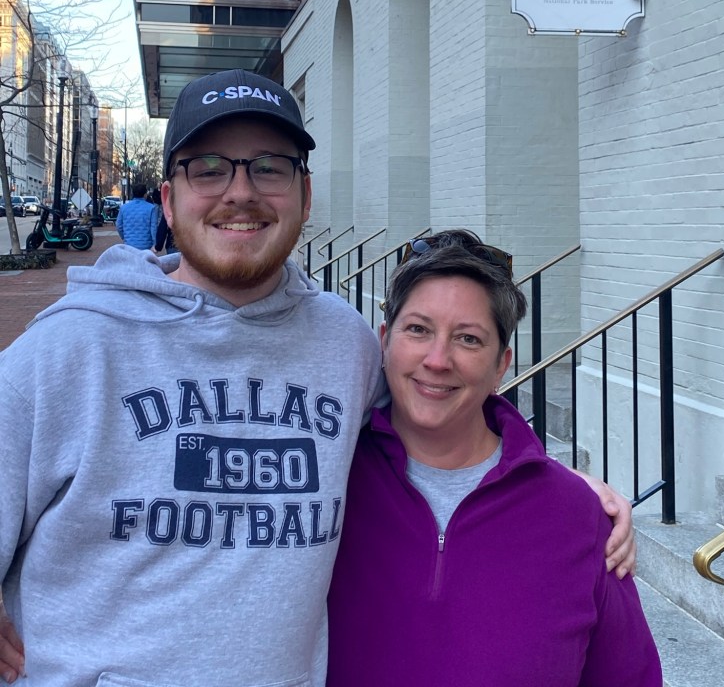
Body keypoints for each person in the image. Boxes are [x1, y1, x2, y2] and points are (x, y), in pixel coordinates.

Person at [0, 72, 634, 685]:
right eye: (209, 167)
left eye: (269, 166)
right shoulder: (65, 351)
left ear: (305, 197)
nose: (240, 192)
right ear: (169, 198)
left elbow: (440, 414)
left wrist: (554, 484)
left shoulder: (346, 342)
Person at [326, 230, 662, 686]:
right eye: (418, 330)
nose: (438, 359)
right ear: (385, 340)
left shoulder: (576, 517)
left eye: (467, 339)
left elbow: (628, 676)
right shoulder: (326, 481)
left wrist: (566, 490)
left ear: (501, 365)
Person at [115, 182, 159, 250]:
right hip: (146, 245)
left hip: (129, 245)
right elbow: (153, 228)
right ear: (145, 194)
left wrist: (124, 237)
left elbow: (118, 225)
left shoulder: (124, 208)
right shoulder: (151, 208)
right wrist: (155, 243)